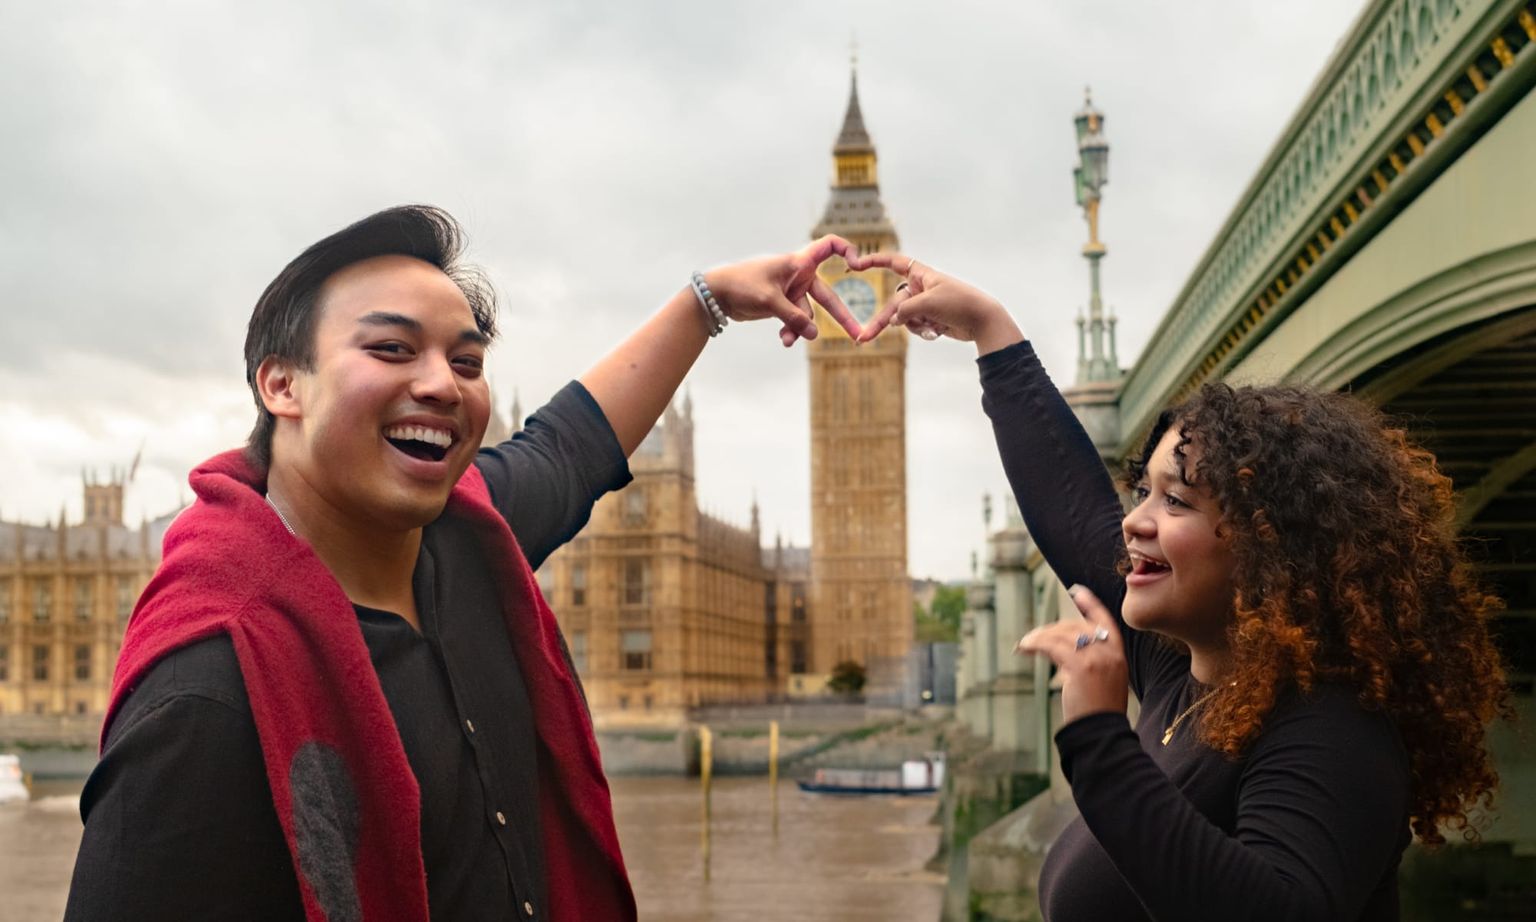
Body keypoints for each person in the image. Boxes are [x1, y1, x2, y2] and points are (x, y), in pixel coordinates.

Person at [65, 205, 866, 922]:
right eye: (391, 348)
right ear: (281, 384)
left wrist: (709, 299)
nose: (441, 384)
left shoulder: (467, 535)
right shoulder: (208, 694)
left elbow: (570, 442)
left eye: (468, 362)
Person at [848, 251, 1510, 921]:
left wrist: (1101, 743)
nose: (1134, 521)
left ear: (1269, 541)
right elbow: (1072, 507)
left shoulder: (1333, 729)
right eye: (1143, 491)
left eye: (1177, 502)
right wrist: (991, 331)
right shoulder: (1185, 681)